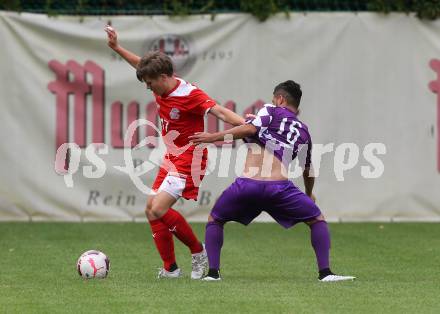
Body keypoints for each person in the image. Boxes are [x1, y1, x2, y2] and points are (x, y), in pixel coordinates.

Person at [105, 25, 245, 279]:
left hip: (190, 158)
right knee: (151, 209)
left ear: (163, 77)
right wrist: (116, 47)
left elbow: (221, 112)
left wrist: (249, 125)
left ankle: (198, 252)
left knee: (158, 209)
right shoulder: (159, 80)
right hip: (172, 156)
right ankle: (171, 268)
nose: (148, 88)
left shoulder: (190, 94)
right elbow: (140, 64)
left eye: (150, 83)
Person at [189, 80, 355, 282]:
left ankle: (213, 274)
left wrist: (212, 137)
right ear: (297, 108)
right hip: (279, 188)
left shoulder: (270, 111)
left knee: (215, 219)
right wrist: (308, 193)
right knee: (316, 220)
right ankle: (325, 273)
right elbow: (308, 170)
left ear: (280, 99)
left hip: (247, 185)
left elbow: (248, 130)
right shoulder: (303, 131)